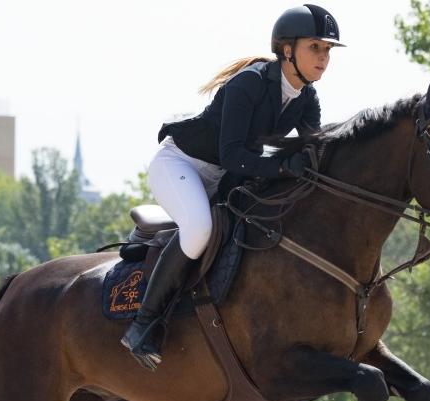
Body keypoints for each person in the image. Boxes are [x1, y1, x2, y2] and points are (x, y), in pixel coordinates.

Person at [121, 4, 345, 371]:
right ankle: (143, 325)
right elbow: (235, 155)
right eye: (315, 47)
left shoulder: (306, 98)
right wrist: (283, 167)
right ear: (287, 50)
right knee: (199, 230)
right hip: (182, 164)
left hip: (227, 176)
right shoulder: (251, 83)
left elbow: (314, 148)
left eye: (327, 50)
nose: (323, 58)